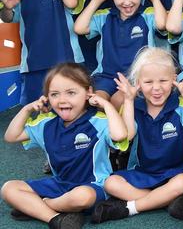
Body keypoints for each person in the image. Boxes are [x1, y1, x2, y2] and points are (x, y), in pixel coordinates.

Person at [1, 63, 127, 229]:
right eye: (54, 94)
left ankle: (41, 206)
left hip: (93, 187)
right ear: (46, 97)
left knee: (82, 197)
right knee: (8, 189)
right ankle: (56, 219)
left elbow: (120, 135)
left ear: (88, 93)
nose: (62, 100)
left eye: (71, 93)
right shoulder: (46, 123)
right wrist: (26, 109)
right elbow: (11, 136)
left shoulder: (98, 121)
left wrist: (106, 105)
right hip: (60, 184)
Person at [91, 47, 183, 223]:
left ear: (174, 80)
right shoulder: (133, 107)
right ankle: (164, 200)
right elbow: (127, 136)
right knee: (111, 183)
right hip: (143, 172)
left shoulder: (181, 106)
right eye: (148, 82)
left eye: (163, 81)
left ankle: (131, 207)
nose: (156, 88)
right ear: (137, 83)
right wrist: (128, 100)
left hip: (177, 171)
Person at [73, 0, 167, 110]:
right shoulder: (104, 17)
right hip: (106, 76)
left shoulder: (147, 15)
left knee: (118, 101)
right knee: (96, 101)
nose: (127, 2)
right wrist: (96, 1)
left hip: (135, 78)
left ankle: (123, 132)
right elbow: (79, 28)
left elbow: (162, 24)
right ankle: (109, 132)